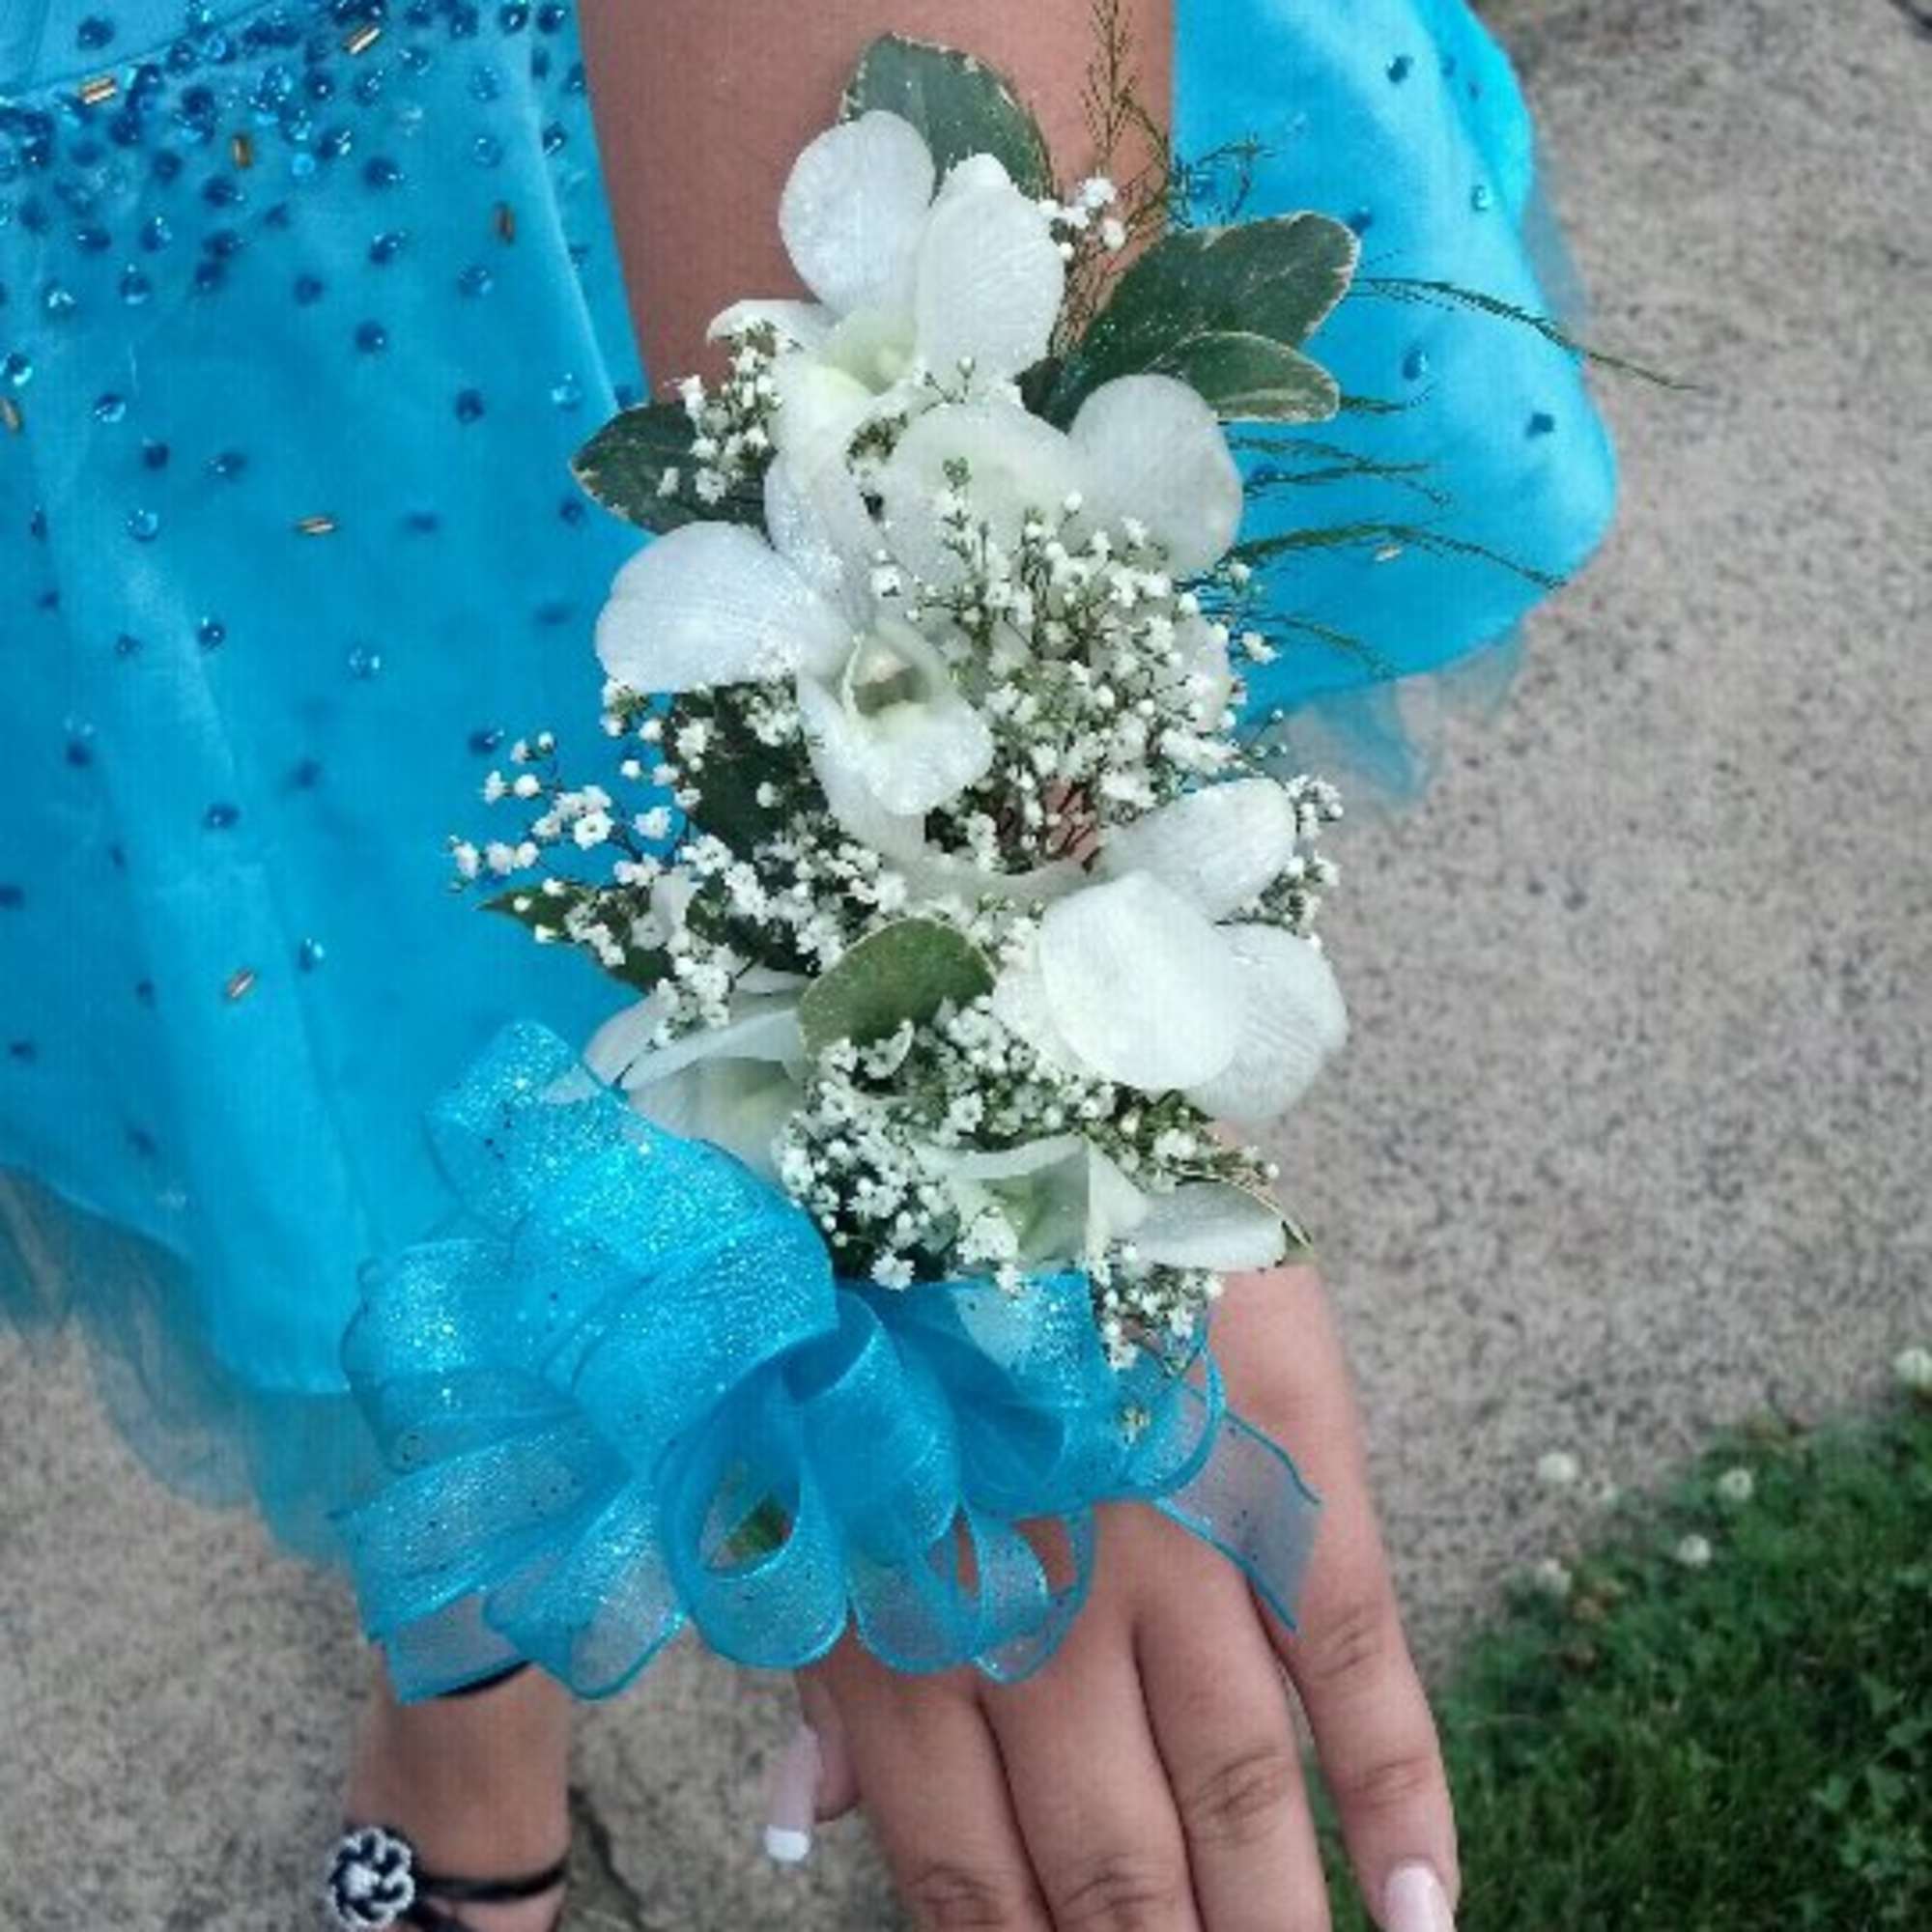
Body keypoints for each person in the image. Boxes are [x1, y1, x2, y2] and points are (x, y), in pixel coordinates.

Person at [0, 4, 1612, 1928]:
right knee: (335, 1041)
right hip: (201, 264)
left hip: (709, 124)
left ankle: (469, 1680)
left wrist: (1008, 1178)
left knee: (467, 1045)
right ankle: (477, 1694)